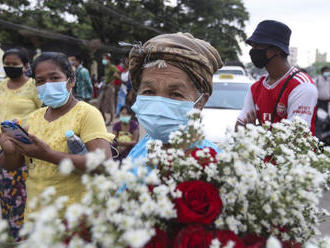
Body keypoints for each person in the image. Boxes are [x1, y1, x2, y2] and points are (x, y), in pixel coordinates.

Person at [0, 52, 114, 221]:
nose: (47, 85)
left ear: (71, 80)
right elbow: (11, 166)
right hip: (36, 214)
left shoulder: (87, 114)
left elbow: (102, 163)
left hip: (73, 216)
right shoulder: (34, 117)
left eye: (54, 78)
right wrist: (10, 151)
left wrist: (48, 155)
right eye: (40, 81)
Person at [127, 32, 223, 164]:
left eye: (176, 94)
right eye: (149, 91)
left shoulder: (213, 165)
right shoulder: (140, 149)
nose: (159, 106)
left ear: (200, 102)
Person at [236, 20, 318, 134]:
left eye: (258, 45)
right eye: (252, 46)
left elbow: (294, 138)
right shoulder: (256, 87)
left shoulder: (302, 87)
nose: (252, 51)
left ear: (277, 50)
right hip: (261, 151)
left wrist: (255, 134)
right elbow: (240, 128)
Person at [0, 48, 41, 240]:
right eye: (6, 63)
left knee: (18, 192)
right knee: (4, 191)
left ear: (25, 66)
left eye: (14, 64)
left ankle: (21, 234)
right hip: (1, 146)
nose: (10, 67)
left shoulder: (34, 87)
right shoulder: (1, 86)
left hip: (20, 148)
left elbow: (44, 114)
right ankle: (7, 230)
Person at [97, 53, 121, 125]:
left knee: (110, 103)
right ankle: (104, 118)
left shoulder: (112, 67)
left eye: (104, 59)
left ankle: (111, 119)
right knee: (99, 103)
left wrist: (114, 77)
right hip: (104, 86)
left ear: (108, 59)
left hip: (110, 87)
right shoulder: (106, 67)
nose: (103, 60)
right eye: (103, 59)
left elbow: (119, 72)